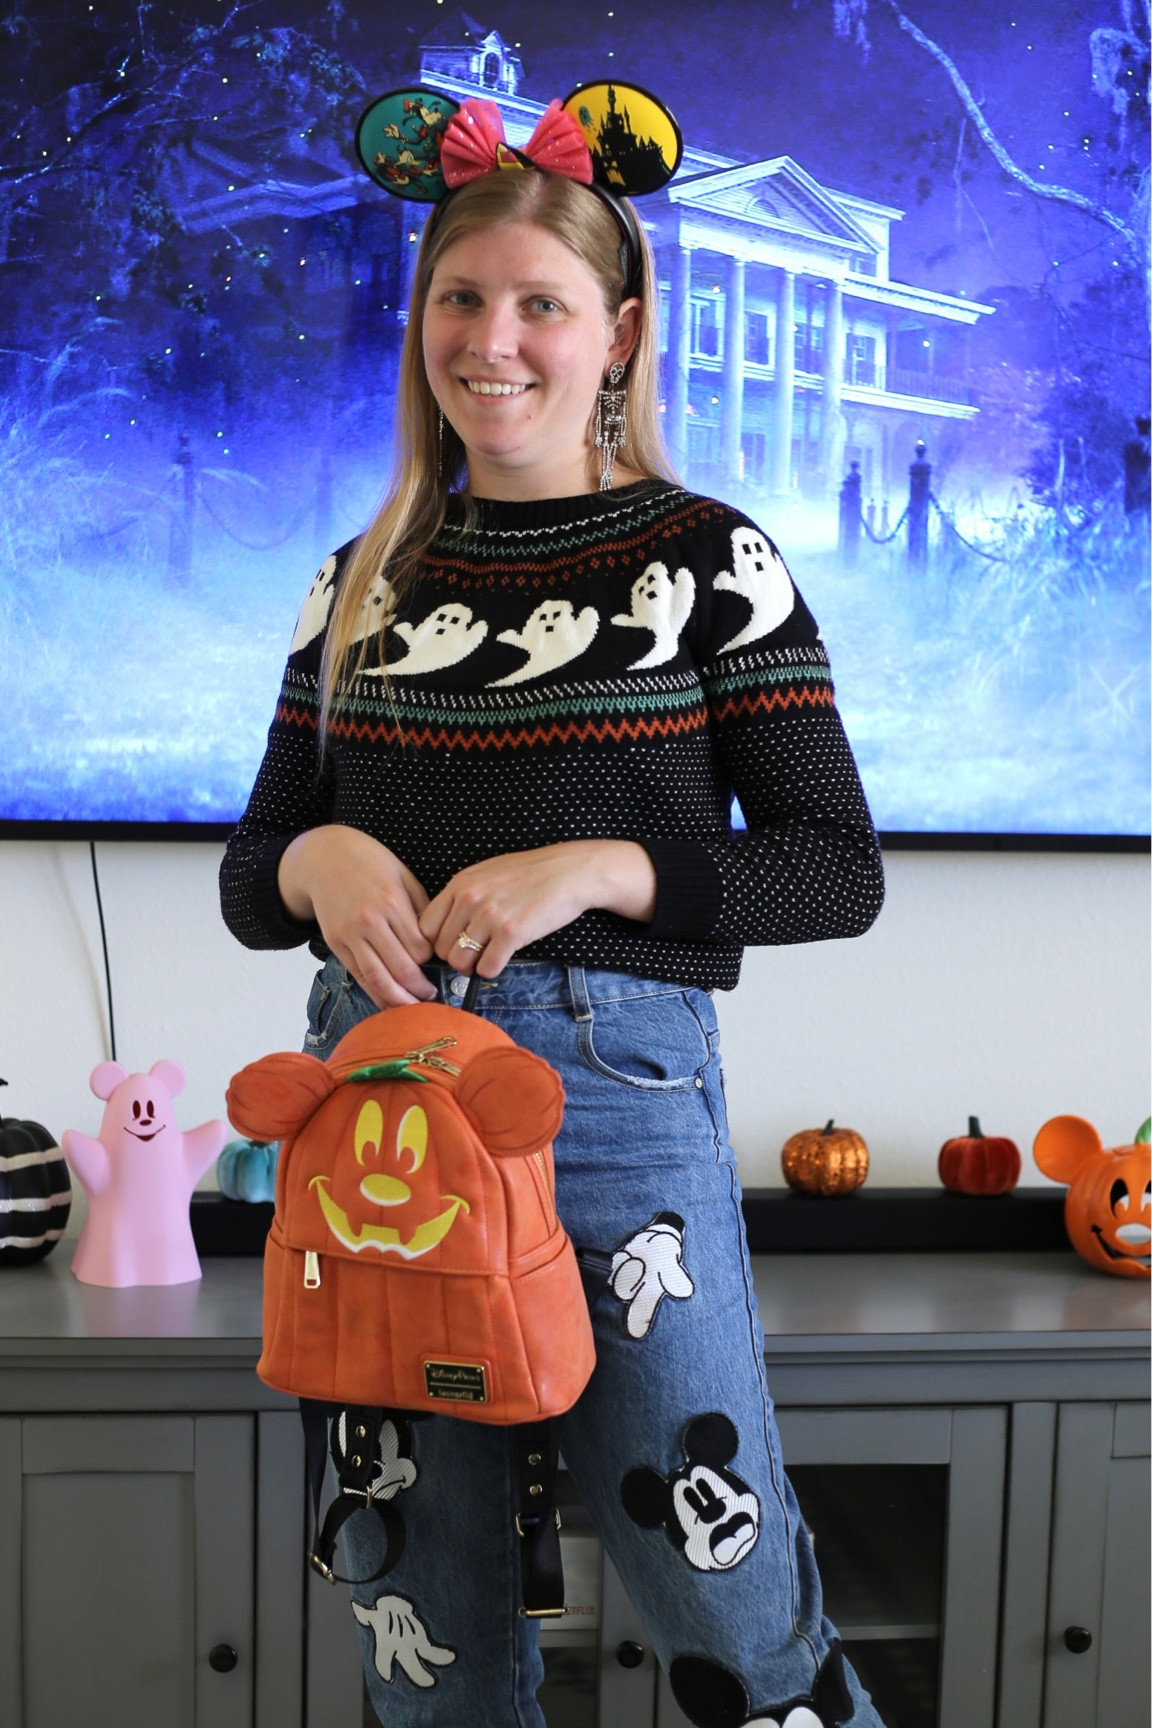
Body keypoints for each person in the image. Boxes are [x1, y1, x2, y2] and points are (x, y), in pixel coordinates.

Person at [220, 82, 887, 1728]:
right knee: (420, 1611)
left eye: (541, 303)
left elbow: (836, 865)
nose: (494, 339)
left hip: (620, 1125)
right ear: (421, 320)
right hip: (376, 1128)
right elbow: (256, 878)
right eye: (462, 297)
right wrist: (318, 861)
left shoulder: (713, 558)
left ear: (620, 332)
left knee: (712, 1586)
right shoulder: (361, 580)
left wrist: (602, 867)